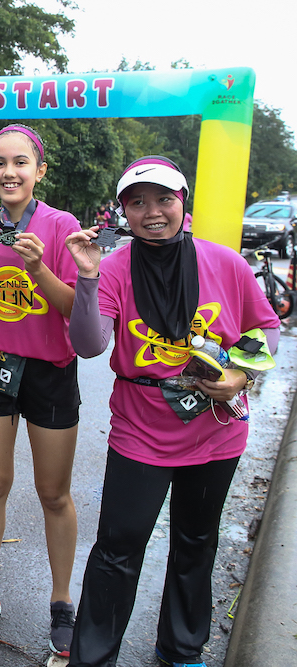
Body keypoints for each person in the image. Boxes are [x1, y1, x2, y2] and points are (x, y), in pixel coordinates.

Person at [63, 156, 280, 667]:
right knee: (118, 546)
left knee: (196, 540)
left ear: (183, 202)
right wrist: (88, 277)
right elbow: (89, 345)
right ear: (124, 211)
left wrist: (241, 375)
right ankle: (93, 656)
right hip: (141, 428)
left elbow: (266, 327)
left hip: (215, 429)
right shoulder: (115, 267)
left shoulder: (224, 263)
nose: (152, 212)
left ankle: (181, 646)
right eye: (137, 203)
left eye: (164, 199)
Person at [0, 124, 81, 657]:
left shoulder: (61, 225)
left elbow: (74, 306)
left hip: (50, 371)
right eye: (0, 163)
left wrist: (38, 267)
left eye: (21, 162)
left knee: (53, 493)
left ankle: (62, 602)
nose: (10, 172)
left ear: (39, 171)